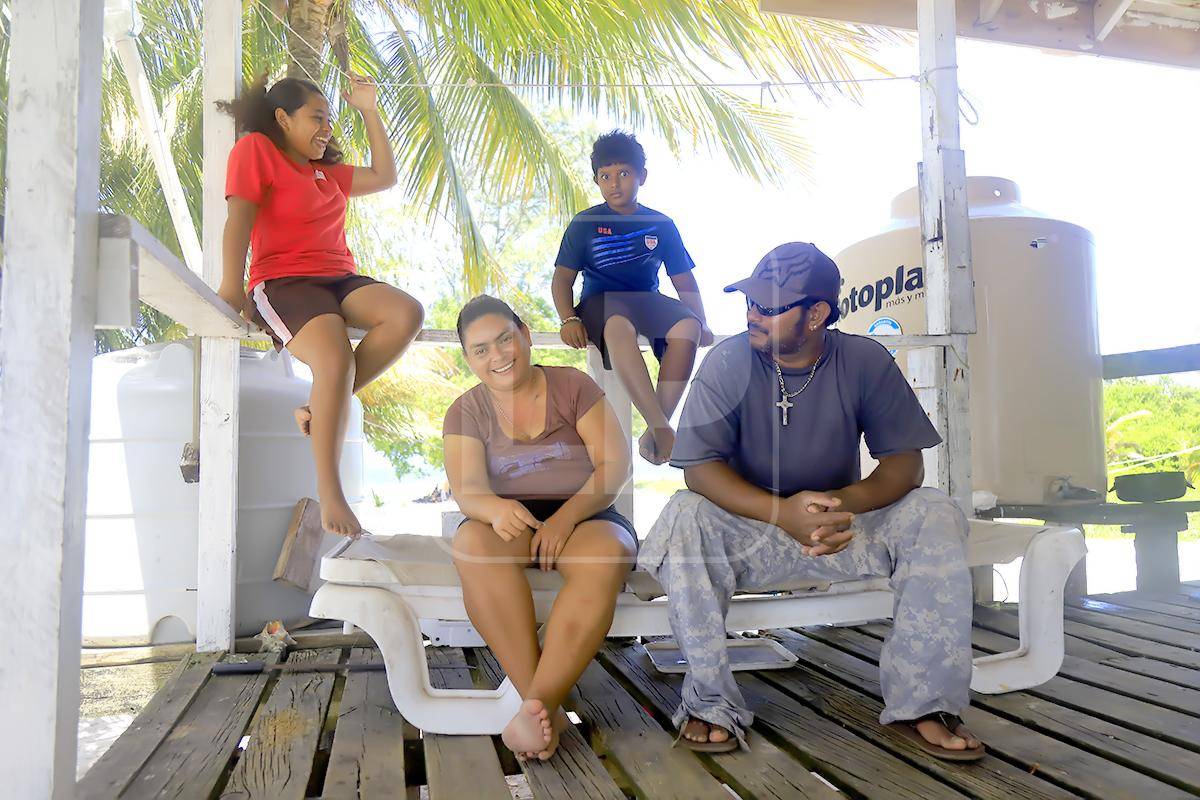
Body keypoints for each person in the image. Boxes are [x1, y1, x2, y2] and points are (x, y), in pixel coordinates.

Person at [637, 243, 985, 760]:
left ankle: (924, 705)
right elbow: (699, 470)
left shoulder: (863, 359)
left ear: (817, 313)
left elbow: (905, 464)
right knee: (685, 516)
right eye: (750, 302)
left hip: (838, 532)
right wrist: (782, 513)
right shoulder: (729, 360)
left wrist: (840, 504)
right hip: (748, 534)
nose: (753, 314)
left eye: (770, 307)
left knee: (934, 511)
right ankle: (710, 704)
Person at [217, 73, 423, 539]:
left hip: (339, 277)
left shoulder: (325, 172)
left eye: (329, 118)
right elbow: (238, 221)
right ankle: (332, 494)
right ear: (282, 118)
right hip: (284, 281)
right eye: (316, 117)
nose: (326, 128)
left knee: (405, 313)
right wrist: (232, 287)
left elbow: (385, 176)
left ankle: (320, 406)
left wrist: (368, 108)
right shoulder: (256, 150)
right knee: (334, 360)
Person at [443, 295, 637, 761]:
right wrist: (492, 508)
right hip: (511, 518)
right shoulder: (465, 410)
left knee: (605, 556)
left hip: (586, 514)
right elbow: (467, 490)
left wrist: (567, 517)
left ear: (525, 335)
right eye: (481, 349)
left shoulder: (572, 385)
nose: (498, 356)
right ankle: (540, 705)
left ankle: (533, 710)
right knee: (471, 543)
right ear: (469, 359)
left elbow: (615, 464)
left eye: (505, 340)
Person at [551, 131, 714, 465]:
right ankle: (662, 428)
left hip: (646, 299)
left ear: (642, 176)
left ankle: (657, 427)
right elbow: (562, 280)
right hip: (601, 301)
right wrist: (568, 319)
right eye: (605, 176)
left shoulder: (661, 224)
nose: (615, 184)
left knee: (687, 328)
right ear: (596, 181)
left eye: (624, 174)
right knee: (617, 327)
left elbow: (683, 279)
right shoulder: (585, 223)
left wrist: (702, 320)